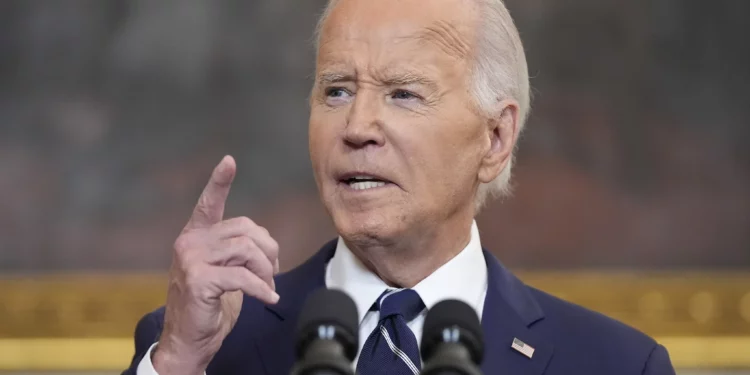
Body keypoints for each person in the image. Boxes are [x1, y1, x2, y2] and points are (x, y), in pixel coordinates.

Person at [123, 0, 676, 374]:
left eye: (403, 94)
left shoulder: (615, 364)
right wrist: (173, 363)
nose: (357, 127)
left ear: (495, 137)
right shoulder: (205, 347)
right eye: (336, 91)